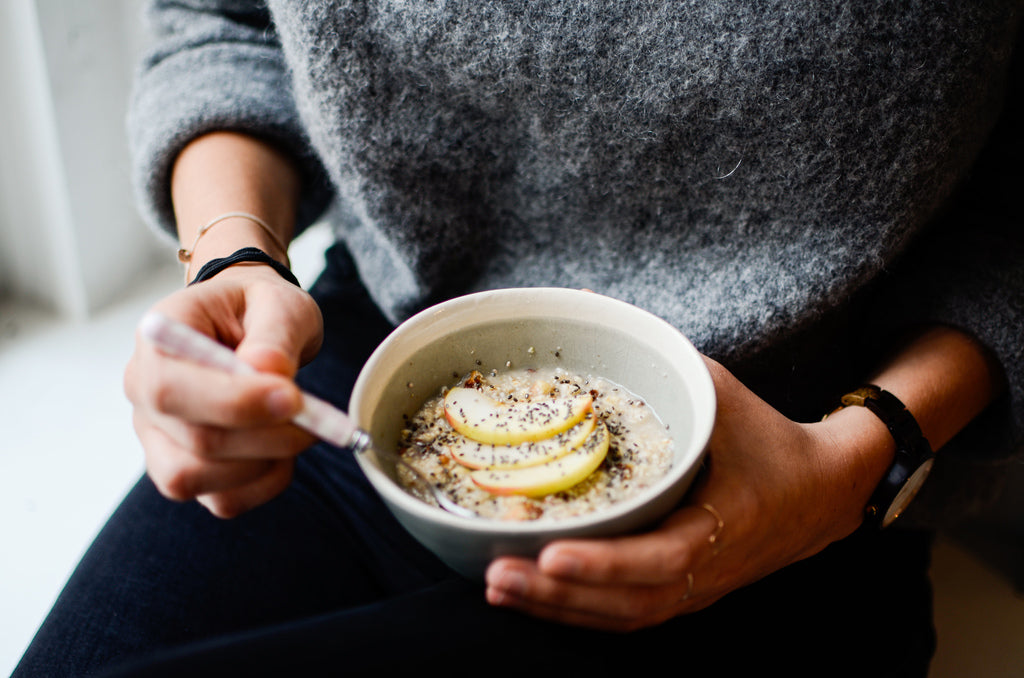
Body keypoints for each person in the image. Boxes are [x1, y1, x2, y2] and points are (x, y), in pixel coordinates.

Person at [14, 1, 1023, 676]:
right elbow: (222, 22)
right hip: (362, 370)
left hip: (801, 466)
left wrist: (866, 453)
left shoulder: (824, 469)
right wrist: (235, 265)